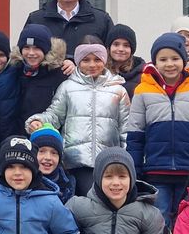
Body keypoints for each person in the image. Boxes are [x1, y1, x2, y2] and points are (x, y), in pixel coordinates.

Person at [127, 33, 189, 230]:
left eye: (175, 58)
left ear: (184, 61)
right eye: (163, 59)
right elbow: (135, 135)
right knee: (158, 219)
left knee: (187, 219)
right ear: (155, 62)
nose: (170, 64)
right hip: (156, 170)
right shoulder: (143, 91)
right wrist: (136, 168)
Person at [26, 39, 132, 197]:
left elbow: (125, 128)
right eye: (86, 60)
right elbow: (55, 115)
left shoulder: (118, 91)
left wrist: (126, 158)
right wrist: (38, 121)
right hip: (74, 160)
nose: (92, 65)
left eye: (97, 59)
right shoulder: (68, 87)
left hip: (107, 160)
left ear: (104, 60)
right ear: (78, 62)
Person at [13, 24, 70, 137]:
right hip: (18, 136)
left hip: (47, 137)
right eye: (26, 48)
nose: (31, 53)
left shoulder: (59, 73)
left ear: (46, 50)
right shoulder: (15, 70)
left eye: (37, 48)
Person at [30, 125, 75, 204]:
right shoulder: (23, 180)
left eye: (54, 153)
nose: (48, 157)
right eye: (41, 151)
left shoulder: (68, 183)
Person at [107, 24, 145, 89]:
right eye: (116, 44)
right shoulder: (100, 72)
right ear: (109, 47)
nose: (121, 49)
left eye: (126, 45)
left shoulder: (143, 75)